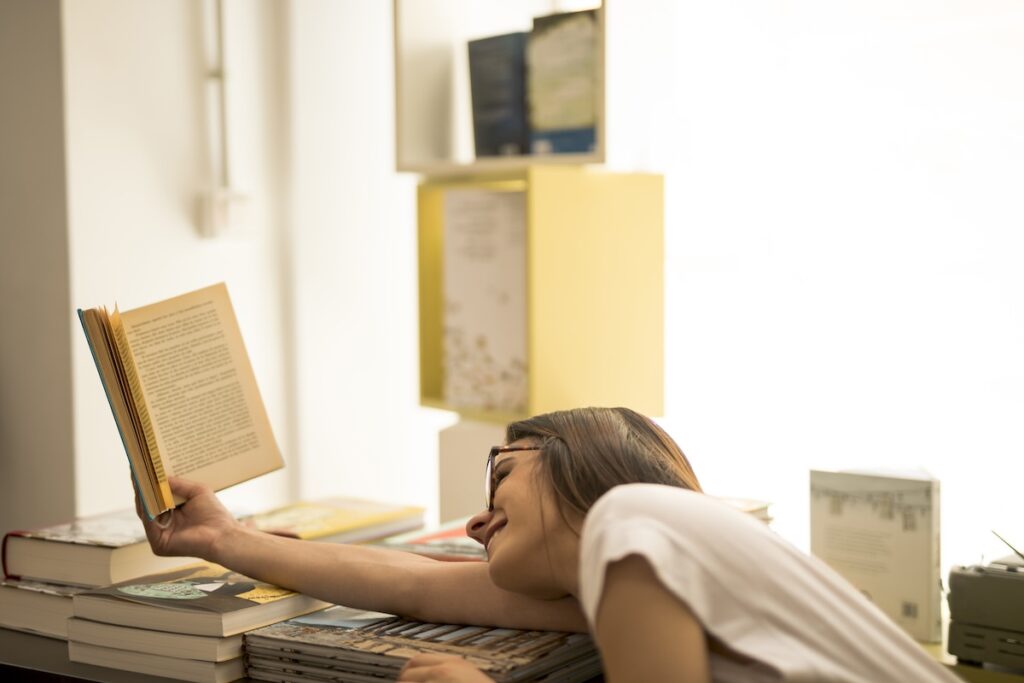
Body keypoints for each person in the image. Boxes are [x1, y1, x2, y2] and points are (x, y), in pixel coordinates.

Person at [137, 407, 959, 682]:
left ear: (584, 465)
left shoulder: (633, 524)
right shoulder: (624, 564)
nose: (476, 521)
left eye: (499, 473)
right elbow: (410, 583)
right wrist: (226, 537)